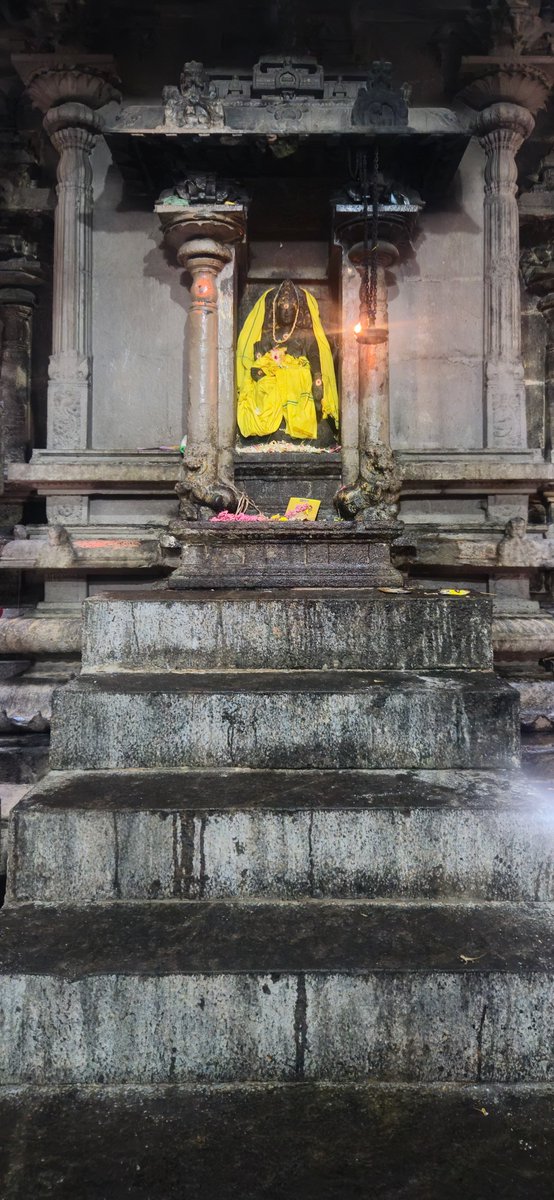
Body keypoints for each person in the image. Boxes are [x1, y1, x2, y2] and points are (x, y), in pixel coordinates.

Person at [236, 280, 339, 441]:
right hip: (272, 397)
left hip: (299, 390)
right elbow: (256, 369)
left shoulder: (306, 335)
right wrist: (263, 372)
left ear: (297, 310)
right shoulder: (268, 336)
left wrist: (317, 380)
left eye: (290, 307)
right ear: (275, 308)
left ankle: (299, 425)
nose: (286, 311)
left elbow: (315, 361)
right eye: (282, 306)